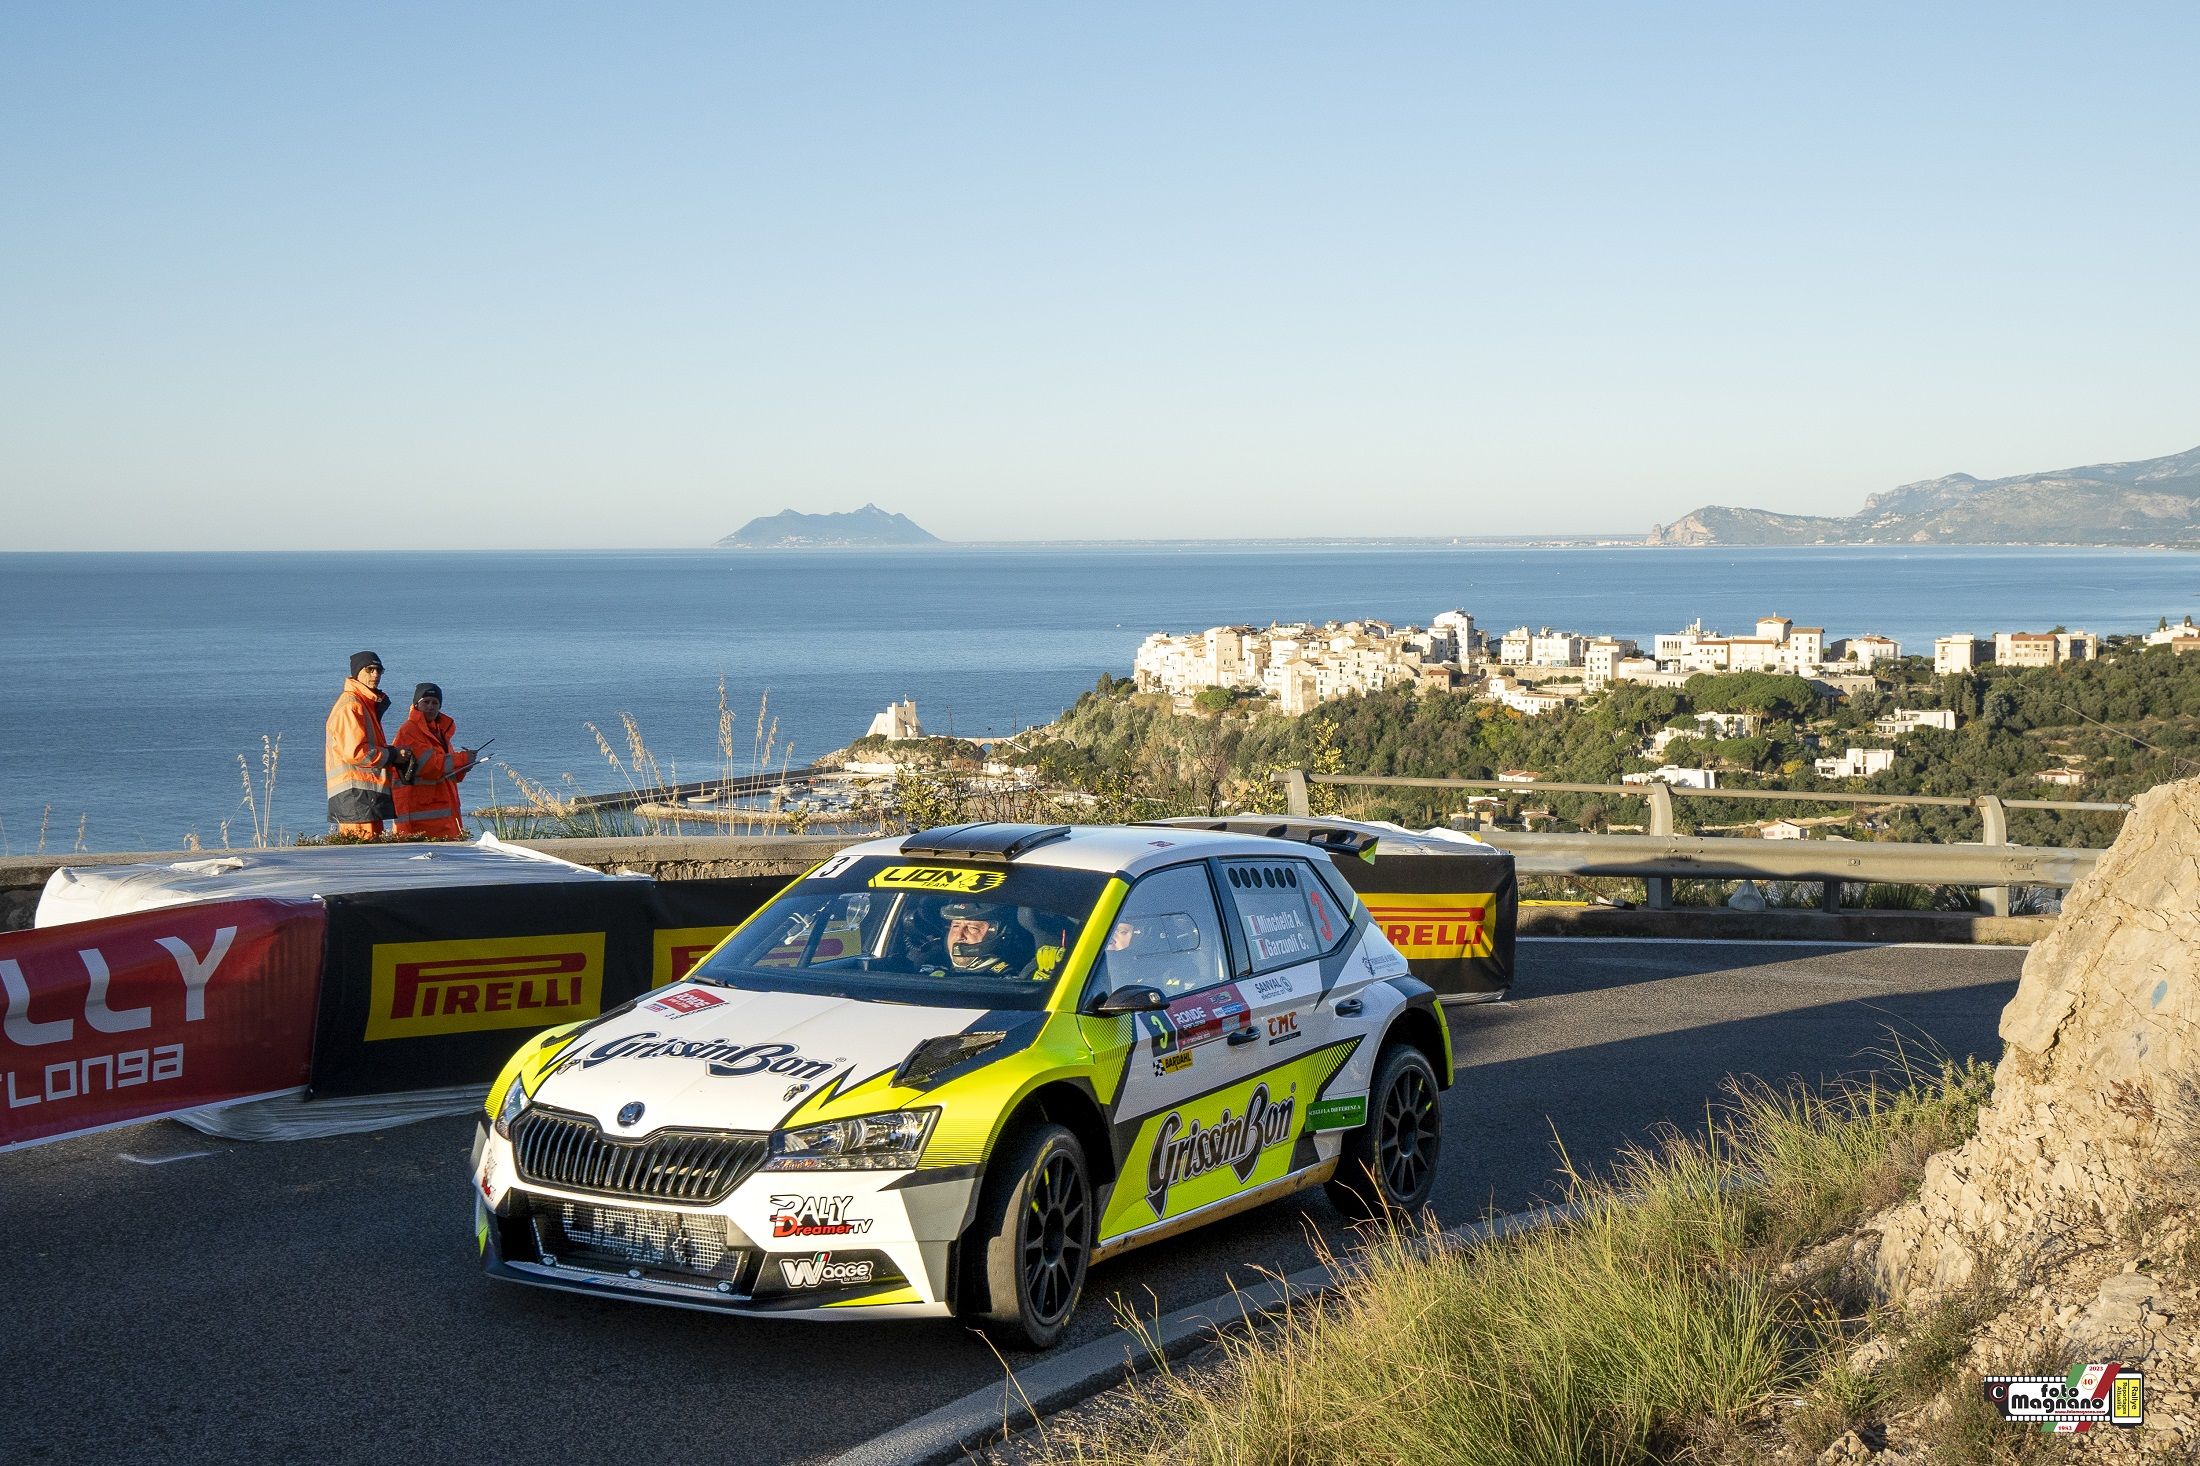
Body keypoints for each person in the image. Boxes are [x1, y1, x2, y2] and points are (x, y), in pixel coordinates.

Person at [323, 650, 409, 839]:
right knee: (363, 857)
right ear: (356, 672)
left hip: (361, 795)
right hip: (356, 795)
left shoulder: (364, 703)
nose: (375, 675)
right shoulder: (352, 705)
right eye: (369, 669)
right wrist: (392, 755)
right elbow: (356, 752)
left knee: (365, 855)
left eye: (379, 670)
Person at [391, 682, 477, 839]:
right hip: (421, 816)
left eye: (435, 702)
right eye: (426, 702)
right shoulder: (410, 730)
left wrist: (464, 768)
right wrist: (463, 759)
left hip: (441, 815)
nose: (430, 706)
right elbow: (428, 766)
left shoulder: (439, 731)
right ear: (416, 704)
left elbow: (446, 770)